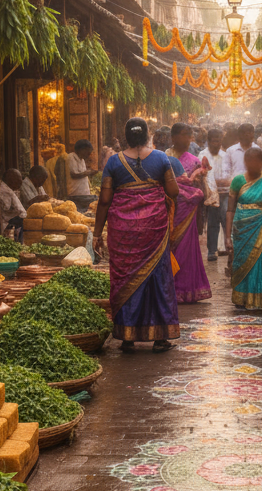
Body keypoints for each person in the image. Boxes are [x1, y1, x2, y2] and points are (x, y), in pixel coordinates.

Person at [94, 117, 181, 353]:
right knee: (158, 279)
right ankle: (160, 337)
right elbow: (173, 191)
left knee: (124, 278)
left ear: (126, 136)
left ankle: (127, 336)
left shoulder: (114, 162)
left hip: (124, 234)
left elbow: (104, 201)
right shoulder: (161, 158)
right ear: (146, 135)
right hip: (154, 231)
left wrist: (96, 233)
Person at [225, 147, 262, 310]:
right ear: (245, 162)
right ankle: (241, 297)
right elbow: (230, 210)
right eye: (249, 161)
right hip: (242, 230)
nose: (253, 165)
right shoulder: (238, 181)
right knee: (242, 261)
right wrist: (227, 236)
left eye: (257, 161)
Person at [165, 123, 211, 302]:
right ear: (173, 137)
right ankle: (168, 289)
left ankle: (185, 290)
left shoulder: (194, 161)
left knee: (185, 250)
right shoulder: (163, 157)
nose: (188, 139)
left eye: (189, 135)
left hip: (188, 213)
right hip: (167, 210)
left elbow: (201, 191)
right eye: (184, 135)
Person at [199, 128, 229, 262]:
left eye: (219, 140)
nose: (217, 143)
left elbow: (229, 174)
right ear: (209, 141)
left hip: (225, 193)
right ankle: (212, 251)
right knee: (212, 222)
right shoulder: (202, 155)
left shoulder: (225, 155)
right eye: (215, 141)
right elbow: (202, 174)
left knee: (226, 220)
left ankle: (229, 248)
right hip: (211, 194)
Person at [67, 139, 98, 210]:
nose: (88, 155)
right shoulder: (71, 157)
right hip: (76, 194)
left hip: (84, 193)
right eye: (87, 152)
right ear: (81, 150)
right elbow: (74, 175)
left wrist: (90, 173)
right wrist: (88, 172)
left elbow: (83, 174)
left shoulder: (82, 160)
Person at [0, 168, 27, 240]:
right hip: (10, 222)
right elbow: (6, 208)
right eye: (18, 180)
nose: (20, 183)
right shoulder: (4, 191)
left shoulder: (8, 189)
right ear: (10, 180)